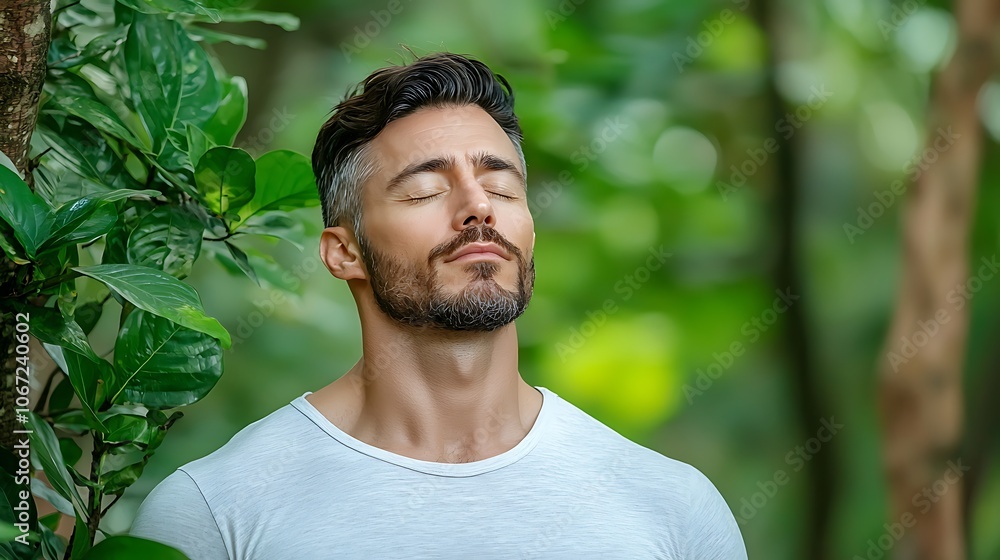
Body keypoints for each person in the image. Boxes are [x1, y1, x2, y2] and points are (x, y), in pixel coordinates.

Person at [129, 52, 747, 559]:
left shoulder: (671, 509)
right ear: (345, 252)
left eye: (501, 185)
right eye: (426, 189)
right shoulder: (216, 512)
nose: (478, 206)